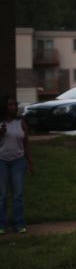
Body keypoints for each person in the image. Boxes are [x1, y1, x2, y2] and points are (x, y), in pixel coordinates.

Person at [0, 96, 34, 234]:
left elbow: (26, 144)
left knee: (18, 194)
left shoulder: (21, 122)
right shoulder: (1, 123)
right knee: (2, 195)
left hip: (18, 161)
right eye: (10, 104)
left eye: (15, 104)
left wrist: (30, 164)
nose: (14, 107)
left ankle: (19, 224)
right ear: (5, 107)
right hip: (1, 160)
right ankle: (1, 225)